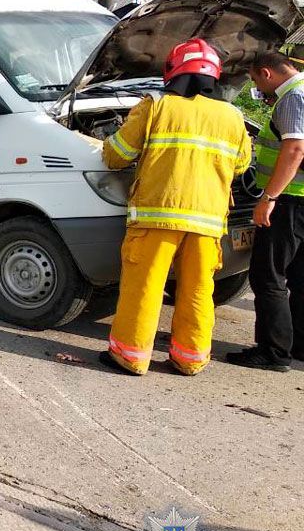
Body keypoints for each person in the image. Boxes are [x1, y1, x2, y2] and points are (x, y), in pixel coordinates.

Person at [100, 39, 250, 376]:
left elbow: (116, 155)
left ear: (173, 70)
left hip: (157, 215)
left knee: (146, 287)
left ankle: (130, 356)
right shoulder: (232, 117)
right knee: (198, 290)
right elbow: (240, 166)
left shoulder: (155, 106)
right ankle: (190, 359)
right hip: (208, 222)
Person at [228, 49, 304, 372]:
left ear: (266, 73)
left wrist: (269, 196)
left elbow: (295, 148)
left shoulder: (291, 98)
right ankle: (297, 344)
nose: (259, 90)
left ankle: (274, 352)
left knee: (268, 275)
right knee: (300, 277)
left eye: (256, 81)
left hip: (289, 201)